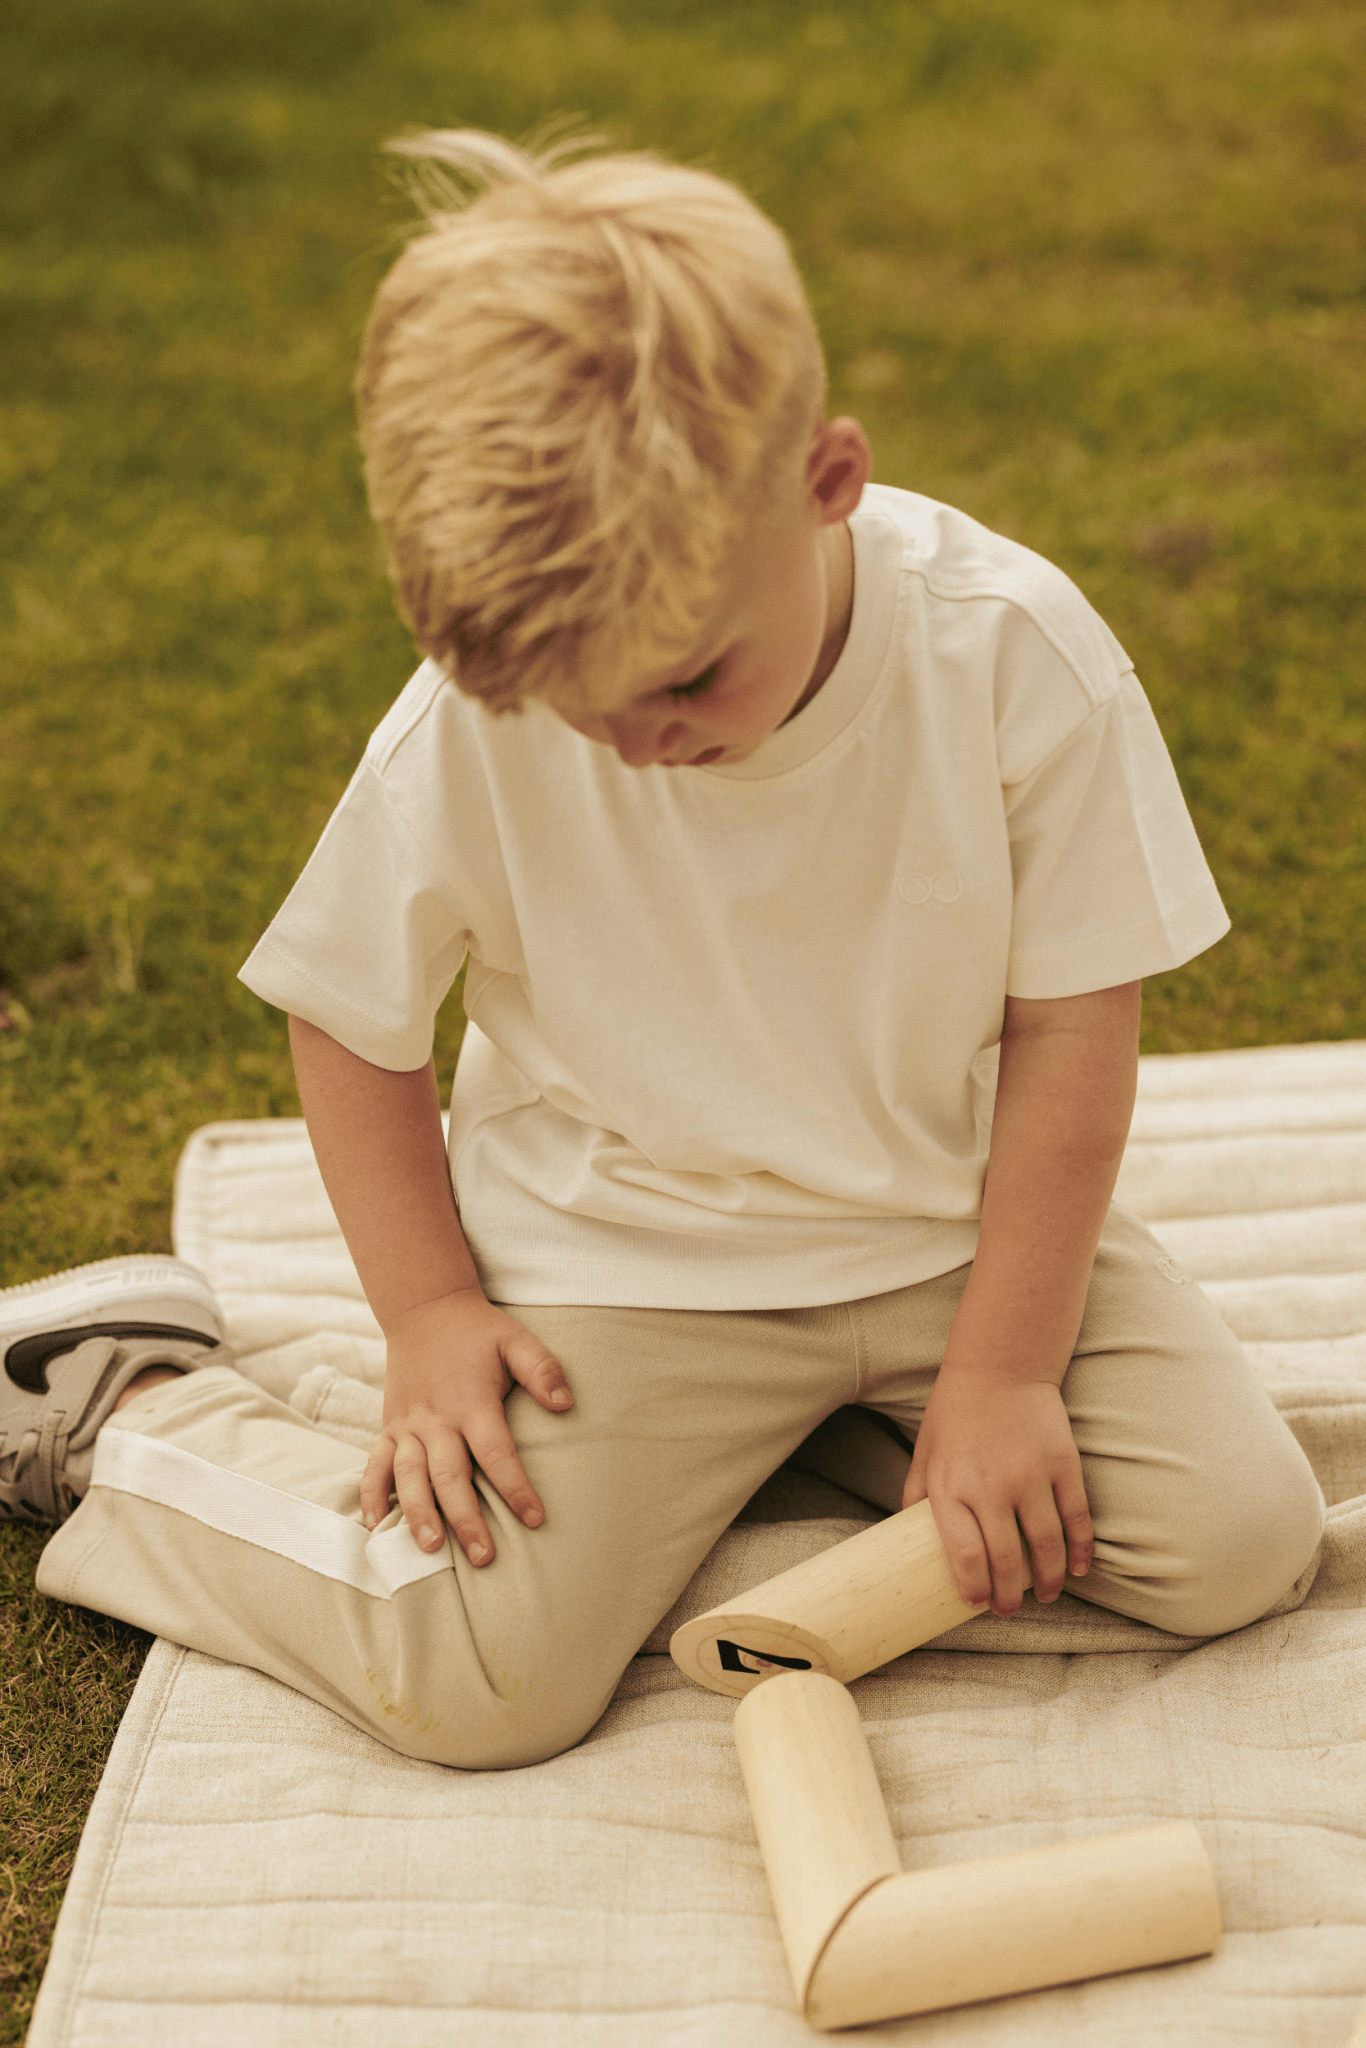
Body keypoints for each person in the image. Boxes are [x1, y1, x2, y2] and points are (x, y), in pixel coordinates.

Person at [2, 131, 1323, 1769]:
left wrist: (1001, 1377)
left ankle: (833, 1430)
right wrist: (424, 1318)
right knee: (484, 1683)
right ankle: (113, 1403)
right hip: (629, 1266)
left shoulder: (1007, 655)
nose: (636, 744)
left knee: (1240, 1544)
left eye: (684, 681)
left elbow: (1073, 1028)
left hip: (946, 1242)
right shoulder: (485, 719)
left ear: (825, 479)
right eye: (580, 703)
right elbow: (352, 1023)